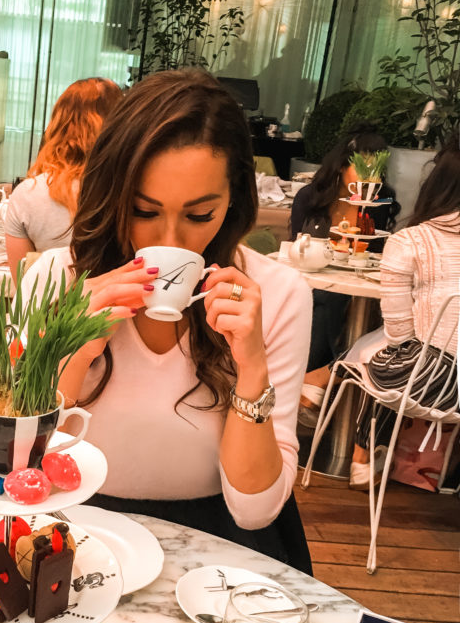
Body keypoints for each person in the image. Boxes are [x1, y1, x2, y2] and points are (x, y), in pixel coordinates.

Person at [21, 68, 313, 573]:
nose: (172, 240)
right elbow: (20, 466)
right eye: (143, 210)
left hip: (216, 547)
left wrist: (252, 367)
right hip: (66, 529)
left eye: (200, 215)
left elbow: (255, 510)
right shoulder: (55, 278)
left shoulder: (277, 295)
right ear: (113, 193)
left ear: (234, 201)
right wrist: (75, 344)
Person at [344, 131, 460, 488]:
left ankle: (360, 454)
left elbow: (399, 336)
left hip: (434, 382)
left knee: (382, 357)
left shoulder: (410, 242)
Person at [289, 124, 399, 425]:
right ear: (341, 164)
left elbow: (377, 252)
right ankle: (321, 379)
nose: (370, 177)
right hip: (310, 284)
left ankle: (309, 384)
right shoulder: (309, 198)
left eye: (376, 169)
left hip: (359, 289)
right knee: (326, 298)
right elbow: (297, 246)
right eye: (362, 166)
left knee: (334, 299)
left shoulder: (378, 203)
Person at [4, 77, 122, 283]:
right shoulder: (132, 191)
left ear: (57, 123)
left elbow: (24, 288)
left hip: (50, 313)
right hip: (120, 311)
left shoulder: (27, 195)